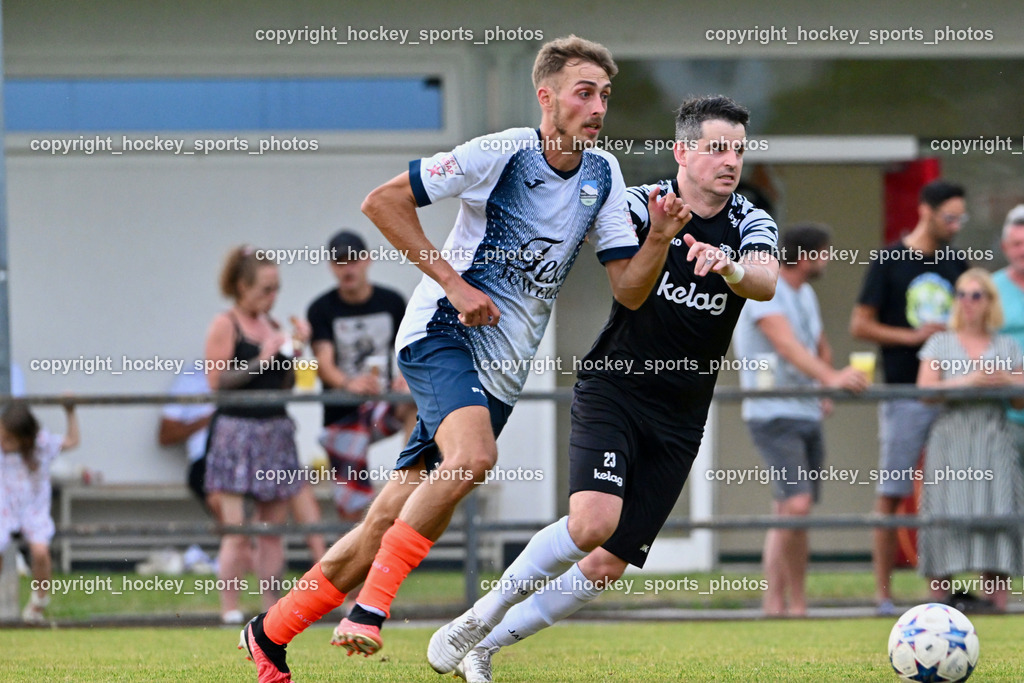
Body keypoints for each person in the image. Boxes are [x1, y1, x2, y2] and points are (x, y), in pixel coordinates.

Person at [239, 35, 691, 682]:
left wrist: (660, 239)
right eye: (584, 93)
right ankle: (371, 608)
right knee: (474, 458)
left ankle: (270, 632)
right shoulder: (502, 152)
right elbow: (382, 202)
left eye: (605, 95)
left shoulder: (603, 174)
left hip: (500, 372)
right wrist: (454, 284)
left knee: (385, 520)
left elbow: (629, 288)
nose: (598, 107)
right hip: (441, 334)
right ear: (547, 97)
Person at [432, 94, 780, 683]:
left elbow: (766, 281)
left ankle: (483, 648)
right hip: (616, 387)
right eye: (717, 148)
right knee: (592, 521)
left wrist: (730, 268)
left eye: (738, 150)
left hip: (681, 415)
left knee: (606, 564)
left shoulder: (750, 219)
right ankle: (478, 616)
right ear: (682, 152)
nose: (730, 161)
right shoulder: (639, 204)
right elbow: (611, 268)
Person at [734, 223, 867, 617]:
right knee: (797, 504)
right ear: (807, 256)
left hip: (806, 411)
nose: (829, 260)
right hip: (773, 412)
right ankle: (785, 604)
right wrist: (832, 378)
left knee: (789, 511)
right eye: (825, 253)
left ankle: (787, 603)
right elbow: (786, 345)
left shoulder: (806, 294)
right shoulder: (765, 290)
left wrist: (823, 386)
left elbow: (818, 344)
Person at [849, 179, 969, 616]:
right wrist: (914, 336)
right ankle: (883, 594)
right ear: (926, 211)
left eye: (961, 218)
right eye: (950, 217)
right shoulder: (889, 261)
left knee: (947, 492)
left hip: (949, 394)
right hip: (903, 393)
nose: (955, 225)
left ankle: (944, 592)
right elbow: (860, 325)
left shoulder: (957, 264)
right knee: (893, 491)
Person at [204, 245, 313, 625]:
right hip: (236, 433)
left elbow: (284, 387)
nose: (273, 296)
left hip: (274, 433)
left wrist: (294, 350)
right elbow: (217, 382)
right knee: (237, 530)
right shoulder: (226, 324)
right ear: (242, 287)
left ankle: (271, 610)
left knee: (271, 531)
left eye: (276, 288)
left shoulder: (274, 326)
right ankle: (229, 609)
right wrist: (262, 358)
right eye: (266, 289)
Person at [916, 268, 1024, 612]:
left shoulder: (1007, 345)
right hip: (951, 437)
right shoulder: (939, 343)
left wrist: (1006, 380)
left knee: (996, 511)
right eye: (961, 295)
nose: (968, 302)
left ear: (989, 301)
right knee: (944, 514)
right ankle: (938, 605)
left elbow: (1019, 401)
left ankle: (996, 602)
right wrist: (968, 381)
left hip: (993, 436)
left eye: (976, 295)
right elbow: (925, 391)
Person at [306, 230, 416, 522]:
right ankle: (357, 548)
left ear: (367, 260)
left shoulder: (392, 302)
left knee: (416, 400)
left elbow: (410, 349)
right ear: (331, 266)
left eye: (353, 260)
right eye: (339, 262)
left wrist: (405, 377)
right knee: (352, 508)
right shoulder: (321, 309)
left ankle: (410, 478)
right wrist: (348, 383)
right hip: (342, 412)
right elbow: (323, 364)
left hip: (382, 404)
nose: (347, 269)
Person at [0, 399, 80, 623]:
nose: (2, 442)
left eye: (8, 439)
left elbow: (72, 440)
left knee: (40, 552)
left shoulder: (41, 446)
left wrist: (70, 411)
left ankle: (39, 602)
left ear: (25, 439)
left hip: (33, 508)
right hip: (4, 507)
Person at [992, 204, 1024, 428]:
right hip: (1003, 416)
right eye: (1016, 244)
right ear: (1004, 247)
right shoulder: (987, 290)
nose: (1022, 251)